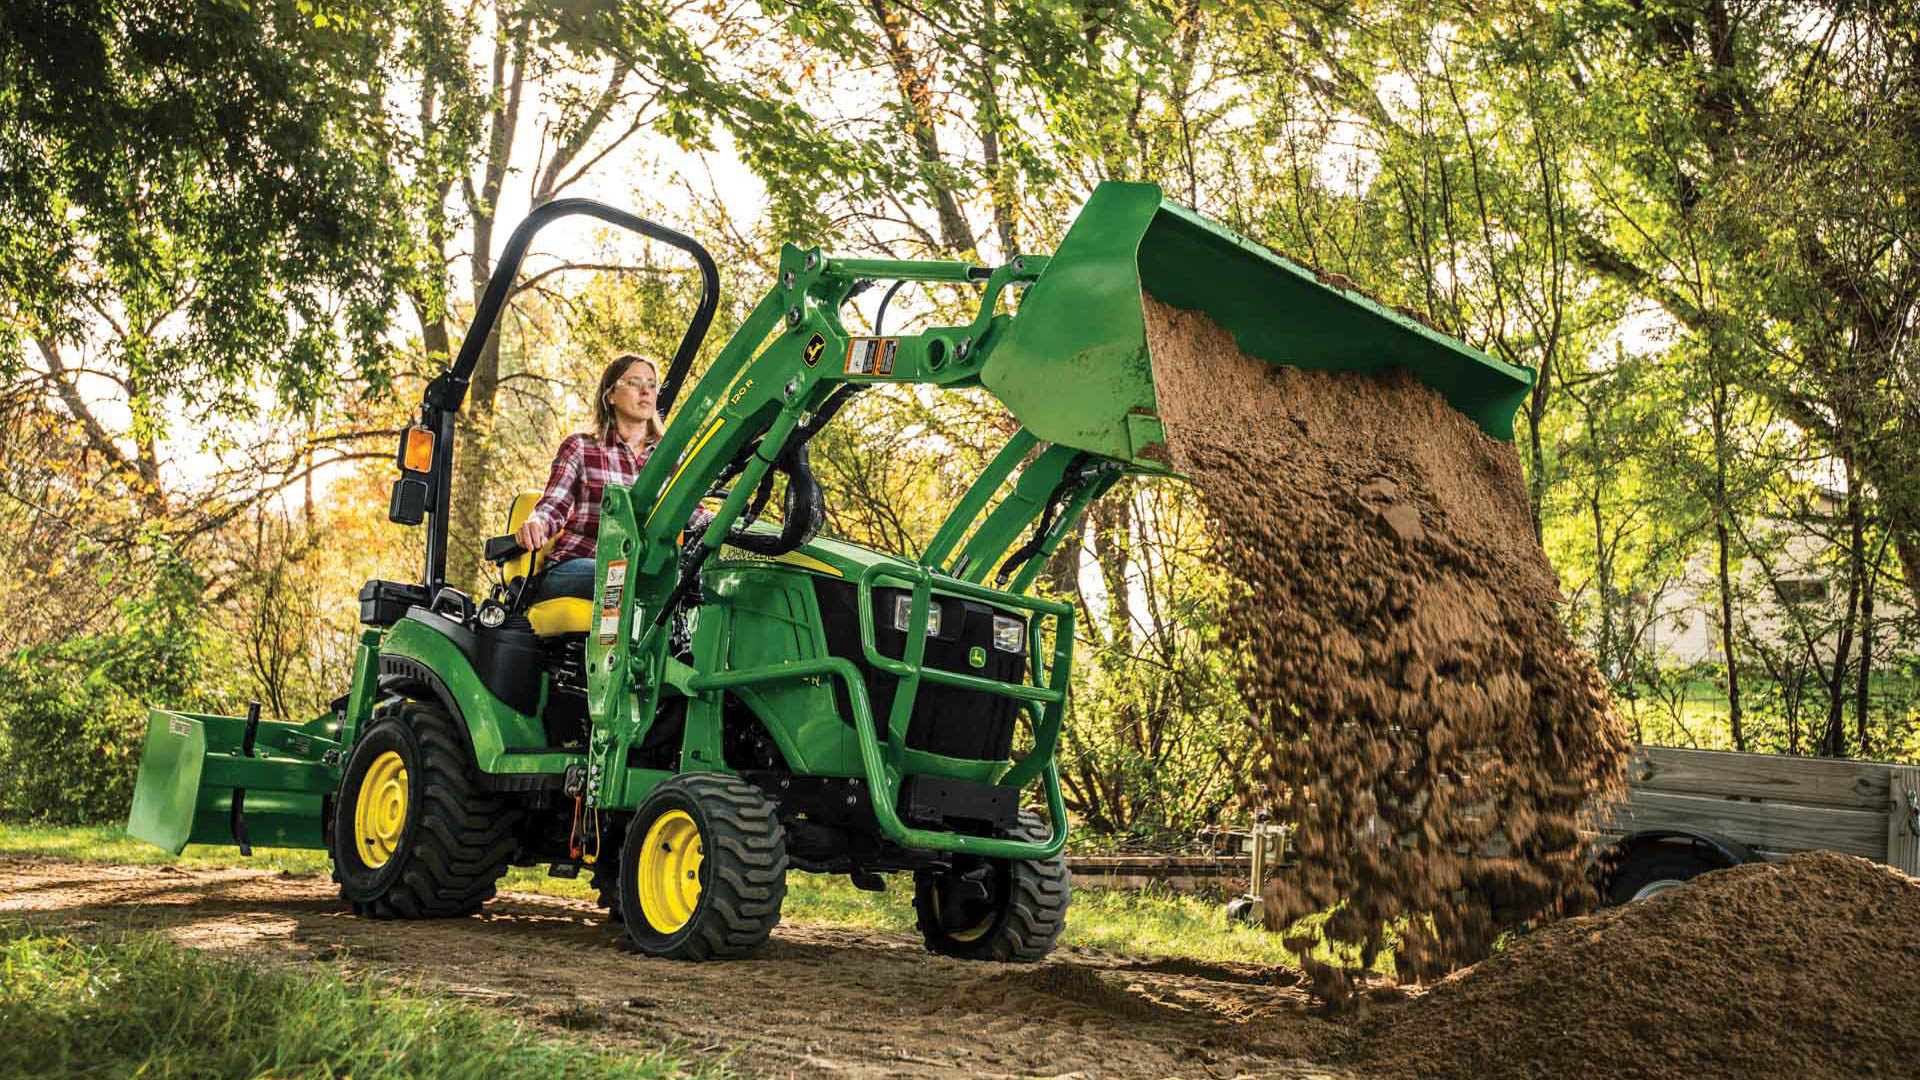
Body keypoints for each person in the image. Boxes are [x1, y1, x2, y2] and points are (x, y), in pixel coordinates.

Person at [515, 354, 665, 603]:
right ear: (610, 396)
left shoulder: (667, 457)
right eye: (634, 383)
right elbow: (554, 505)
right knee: (622, 578)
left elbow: (695, 514)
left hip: (642, 570)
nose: (645, 392)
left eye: (651, 385)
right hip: (580, 565)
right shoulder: (581, 447)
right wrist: (537, 524)